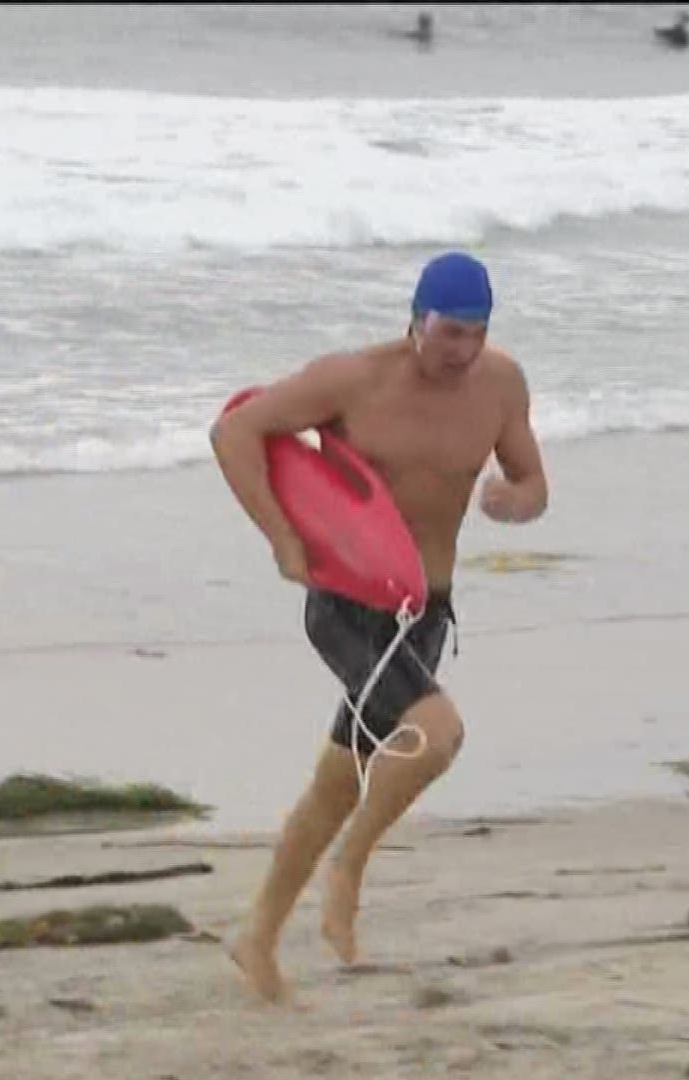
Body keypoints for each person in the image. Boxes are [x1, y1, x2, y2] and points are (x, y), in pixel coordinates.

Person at [210, 251, 549, 1006]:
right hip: (347, 603)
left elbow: (533, 481)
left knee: (338, 782)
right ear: (415, 319)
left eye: (476, 333)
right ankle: (349, 869)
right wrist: (281, 539)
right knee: (439, 731)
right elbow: (235, 433)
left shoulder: (500, 386)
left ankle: (256, 939)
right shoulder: (353, 380)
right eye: (449, 332)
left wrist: (513, 502)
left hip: (426, 610)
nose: (462, 350)